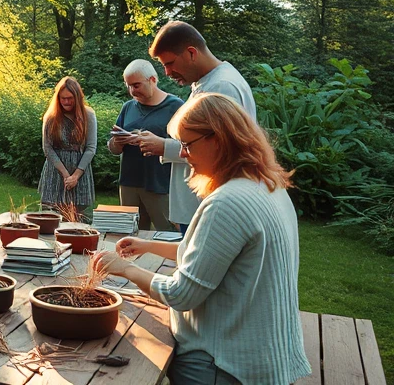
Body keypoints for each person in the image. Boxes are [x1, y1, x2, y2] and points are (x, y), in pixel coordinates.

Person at [93, 93, 310, 384]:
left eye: (187, 144)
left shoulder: (228, 202)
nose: (181, 154)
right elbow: (212, 255)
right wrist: (148, 246)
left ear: (218, 139)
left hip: (227, 363)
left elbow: (181, 295)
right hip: (266, 354)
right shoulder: (267, 186)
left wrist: (124, 269)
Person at [136, 21, 257, 232]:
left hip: (208, 206)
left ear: (192, 53)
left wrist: (163, 146)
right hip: (197, 206)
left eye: (170, 63)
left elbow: (220, 150)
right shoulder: (208, 83)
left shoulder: (221, 87)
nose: (166, 72)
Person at [107, 60, 183, 231]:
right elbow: (112, 148)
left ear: (153, 80)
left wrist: (157, 142)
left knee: (167, 234)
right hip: (129, 183)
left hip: (160, 184)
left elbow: (187, 146)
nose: (132, 91)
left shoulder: (176, 106)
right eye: (129, 86)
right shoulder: (128, 107)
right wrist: (117, 142)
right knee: (129, 235)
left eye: (136, 85)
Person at [38, 77, 97, 211]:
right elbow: (47, 148)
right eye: (63, 98)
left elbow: (91, 148)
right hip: (56, 170)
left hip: (80, 170)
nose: (66, 102)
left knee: (78, 218)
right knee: (51, 216)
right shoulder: (51, 117)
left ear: (77, 97)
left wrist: (75, 176)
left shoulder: (88, 115)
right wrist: (66, 175)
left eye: (70, 98)